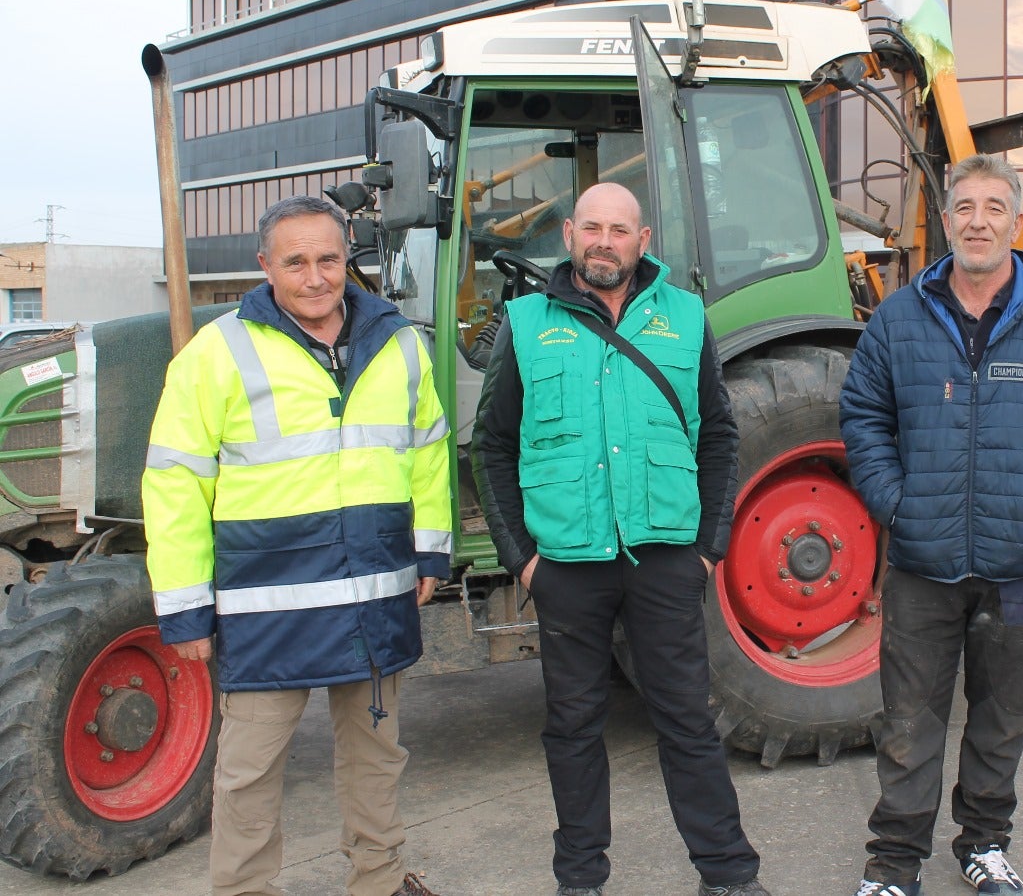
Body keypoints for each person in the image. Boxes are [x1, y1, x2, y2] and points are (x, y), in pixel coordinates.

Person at [142, 194, 451, 896]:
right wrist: (186, 610)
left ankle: (380, 880)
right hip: (264, 605)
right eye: (296, 262)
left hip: (372, 591)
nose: (315, 277)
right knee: (248, 771)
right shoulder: (216, 354)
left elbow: (428, 451)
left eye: (329, 259)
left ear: (349, 260)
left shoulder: (399, 343)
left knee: (377, 757)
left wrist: (429, 553)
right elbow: (174, 485)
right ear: (265, 267)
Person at [469, 182, 768, 896]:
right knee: (572, 729)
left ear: (643, 241)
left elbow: (720, 435)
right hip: (567, 565)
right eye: (592, 227)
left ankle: (727, 875)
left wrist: (706, 546)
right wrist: (524, 561)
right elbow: (492, 446)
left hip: (665, 559)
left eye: (620, 230)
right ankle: (580, 880)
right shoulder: (526, 322)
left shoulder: (686, 320)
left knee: (688, 723)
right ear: (570, 234)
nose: (605, 241)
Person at [838, 154, 1023, 896]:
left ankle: (985, 844)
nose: (978, 222)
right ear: (947, 221)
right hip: (921, 564)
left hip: (1017, 566)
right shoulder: (901, 317)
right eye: (964, 208)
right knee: (908, 722)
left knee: (1002, 716)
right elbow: (863, 416)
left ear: (1016, 223)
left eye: (994, 208)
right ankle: (894, 865)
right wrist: (893, 502)